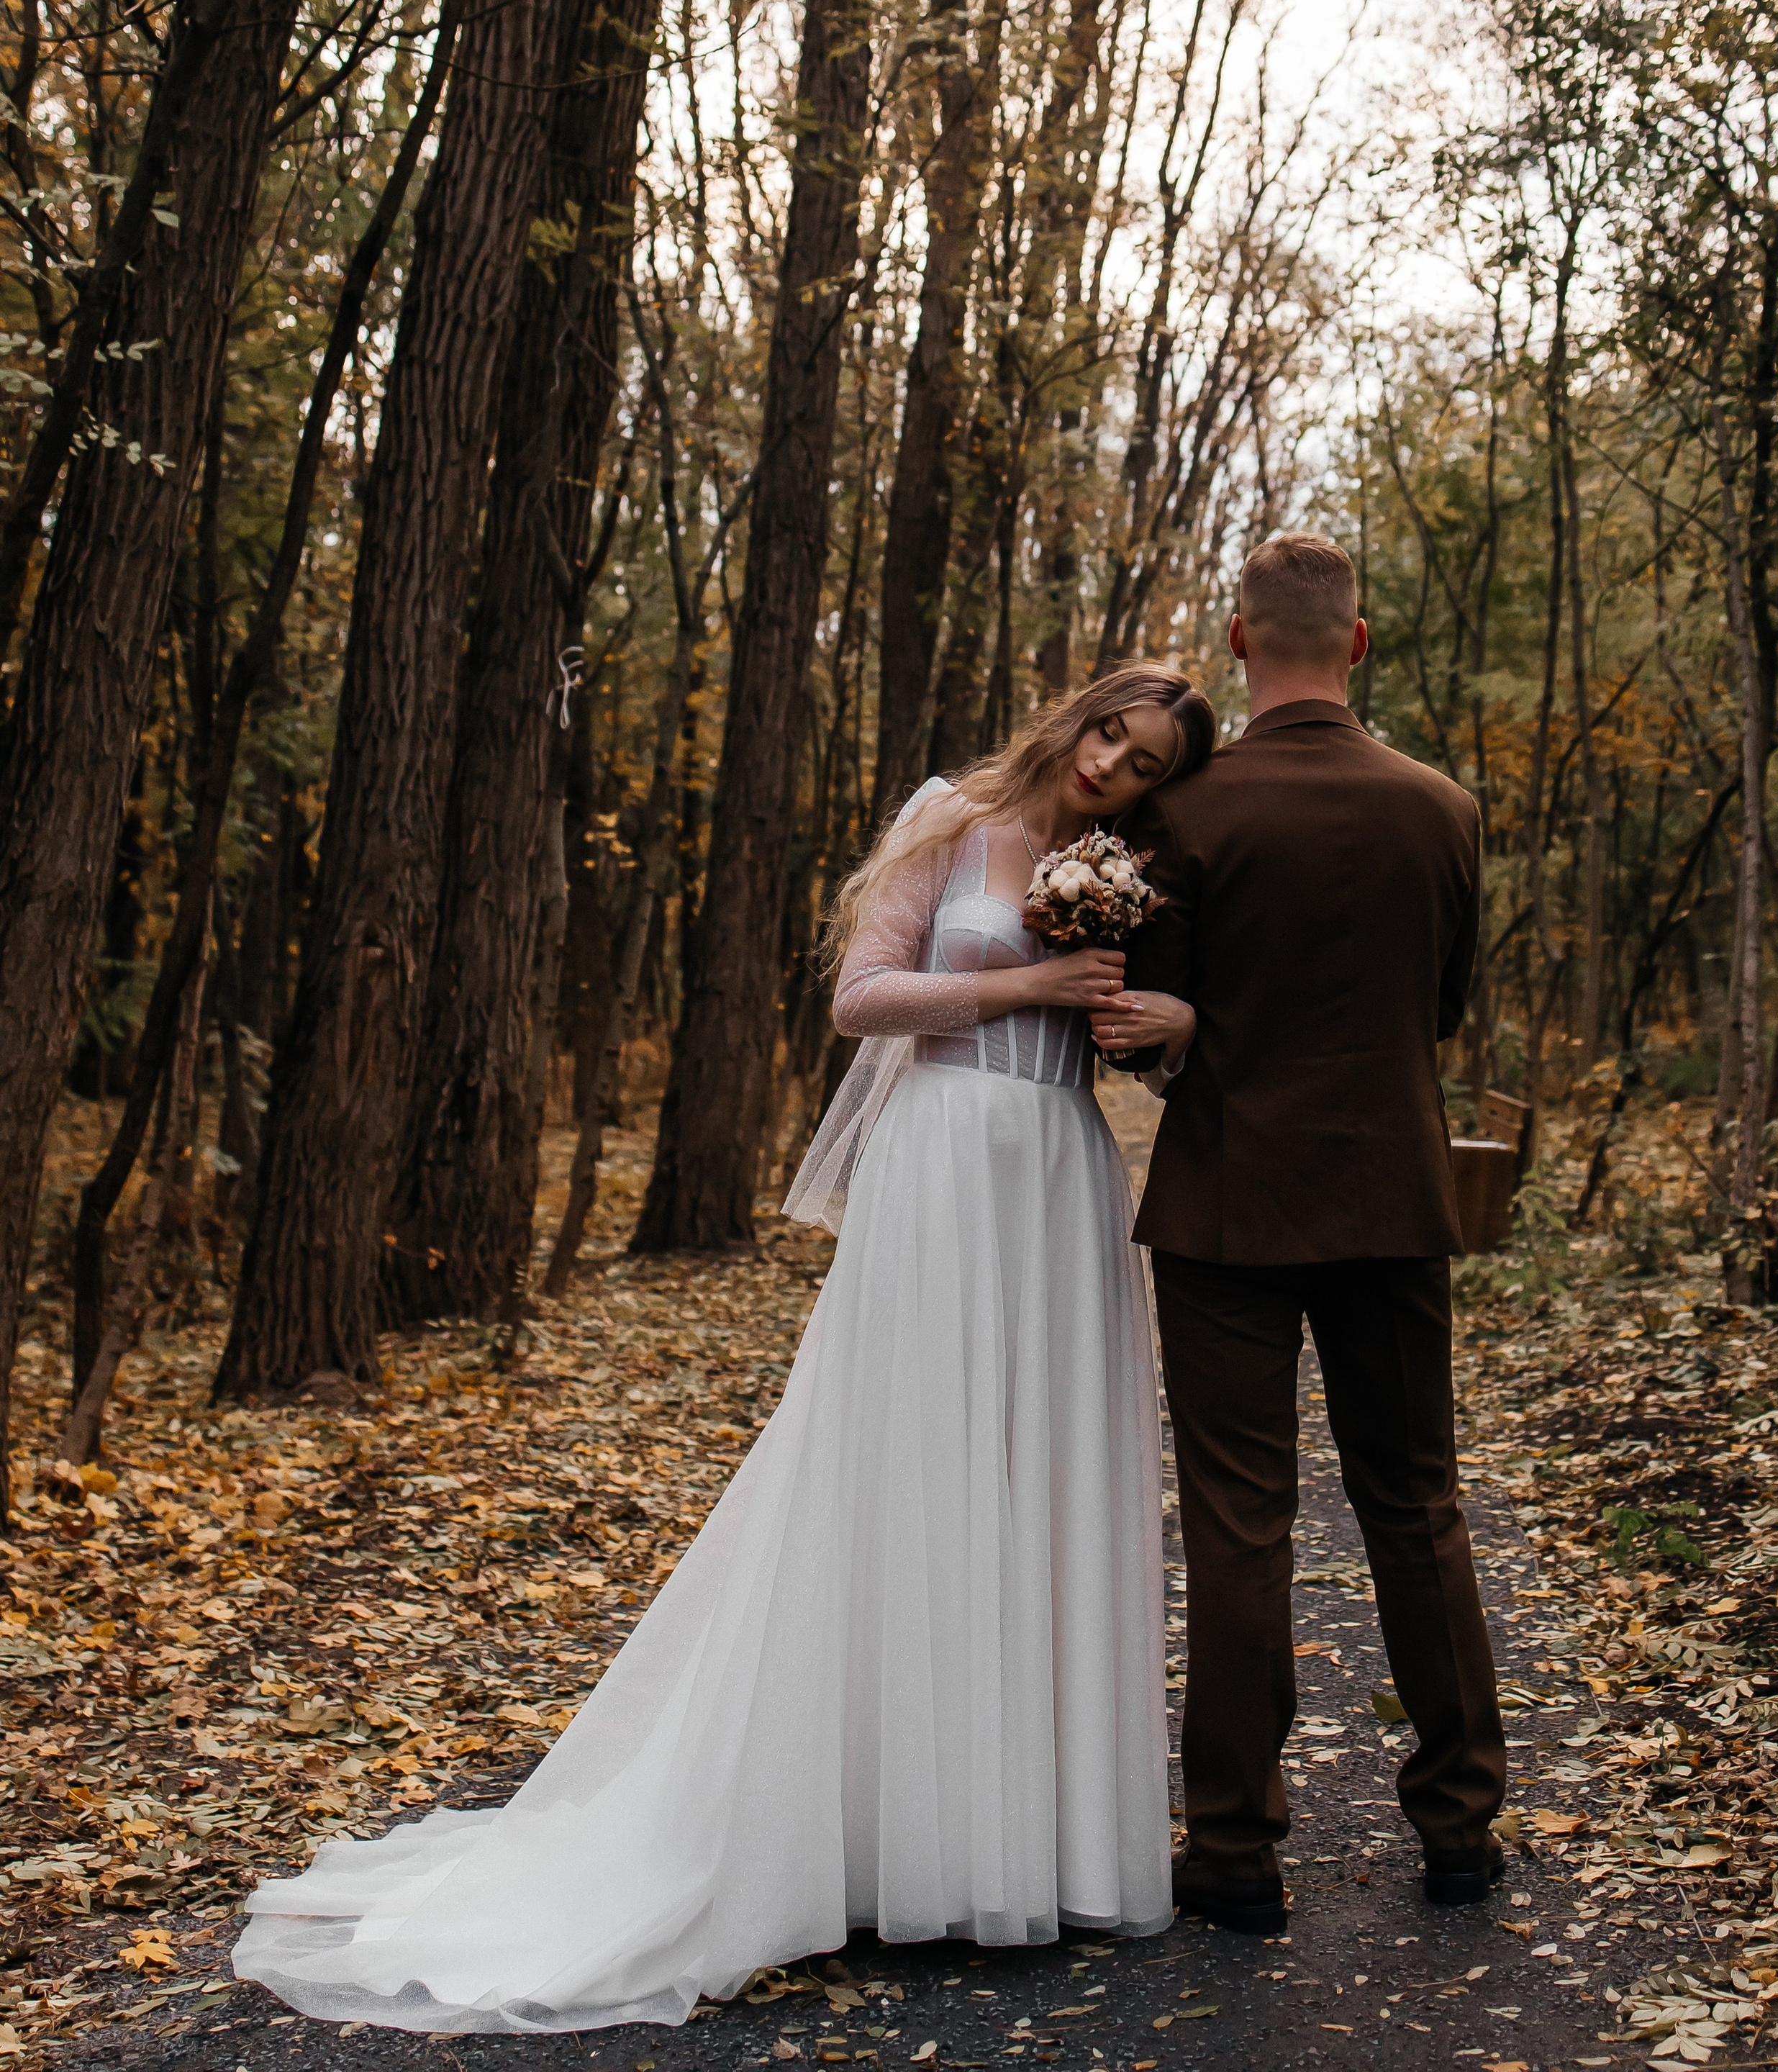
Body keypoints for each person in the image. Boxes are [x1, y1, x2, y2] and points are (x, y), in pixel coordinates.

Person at [232, 661, 1215, 2037]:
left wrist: (1152, 1023)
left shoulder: (1129, 869)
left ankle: (1021, 1842)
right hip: (939, 1173)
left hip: (1058, 1179)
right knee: (909, 1469)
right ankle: (873, 1831)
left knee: (1032, 1477)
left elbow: (1150, 1041)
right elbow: (863, 1002)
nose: (1116, 761)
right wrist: (1033, 978)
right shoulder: (951, 818)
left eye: (1150, 758)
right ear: (1076, 715)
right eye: (1113, 729)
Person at [1087, 533, 1505, 1935]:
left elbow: (1150, 1033)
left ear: (1233, 637)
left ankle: (1230, 1853)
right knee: (1416, 1506)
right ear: (1359, 642)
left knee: (1238, 1527)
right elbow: (1436, 1012)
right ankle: (1458, 1825)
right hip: (1391, 1197)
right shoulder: (1442, 811)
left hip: (1225, 1212)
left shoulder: (1188, 819)